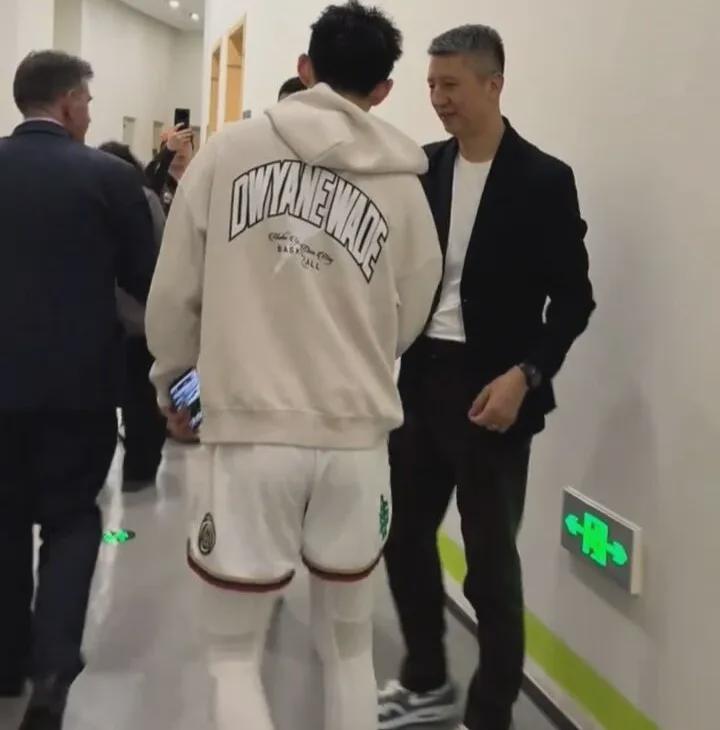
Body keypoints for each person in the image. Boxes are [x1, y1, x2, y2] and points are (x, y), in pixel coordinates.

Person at [145, 3, 441, 729]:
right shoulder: (406, 183)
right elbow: (410, 315)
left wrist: (175, 384)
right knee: (349, 650)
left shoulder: (227, 154)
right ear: (384, 89)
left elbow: (176, 294)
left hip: (250, 430)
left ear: (305, 68)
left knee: (233, 655)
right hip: (357, 437)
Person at [379, 25, 596, 730]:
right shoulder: (423, 168)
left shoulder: (543, 179)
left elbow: (574, 299)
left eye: (451, 85)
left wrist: (525, 375)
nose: (438, 98)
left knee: (491, 570)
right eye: (431, 85)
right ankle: (426, 678)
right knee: (401, 539)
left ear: (494, 84)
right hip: (420, 381)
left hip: (494, 392)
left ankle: (490, 713)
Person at [0, 51, 155, 730]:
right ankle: (53, 670)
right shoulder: (110, 179)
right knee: (71, 520)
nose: (90, 114)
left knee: (2, 520)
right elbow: (147, 283)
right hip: (81, 387)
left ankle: (5, 661)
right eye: (87, 101)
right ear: (67, 102)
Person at [99, 141, 167, 491]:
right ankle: (140, 471)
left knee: (105, 397)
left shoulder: (94, 197)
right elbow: (162, 248)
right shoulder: (146, 199)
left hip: (106, 318)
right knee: (143, 397)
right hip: (143, 318)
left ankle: (104, 469)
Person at [145, 123, 195, 213]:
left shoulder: (198, 180)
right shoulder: (159, 179)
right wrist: (168, 150)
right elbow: (147, 181)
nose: (181, 148)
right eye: (176, 142)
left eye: (185, 142)